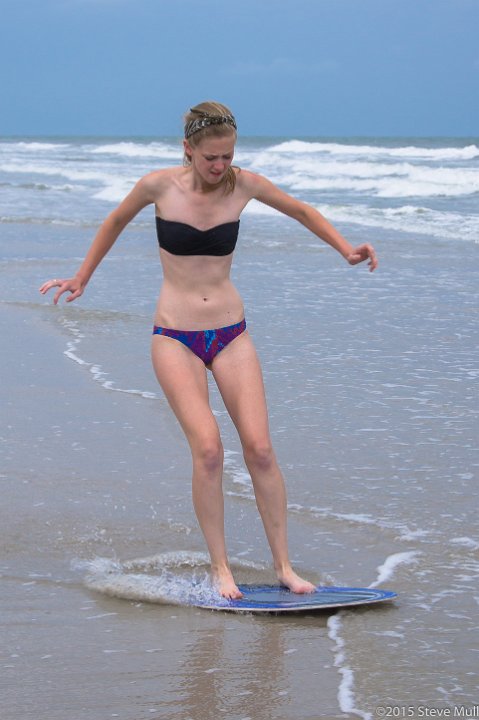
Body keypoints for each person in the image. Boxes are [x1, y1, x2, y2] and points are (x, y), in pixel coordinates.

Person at [40, 101, 378, 599]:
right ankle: (221, 569)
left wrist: (345, 248)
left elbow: (301, 211)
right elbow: (114, 221)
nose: (220, 166)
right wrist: (82, 276)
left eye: (228, 156)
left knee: (260, 450)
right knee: (208, 450)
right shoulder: (158, 186)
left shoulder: (244, 185)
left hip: (230, 333)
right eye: (211, 158)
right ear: (188, 150)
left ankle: (284, 568)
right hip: (174, 336)